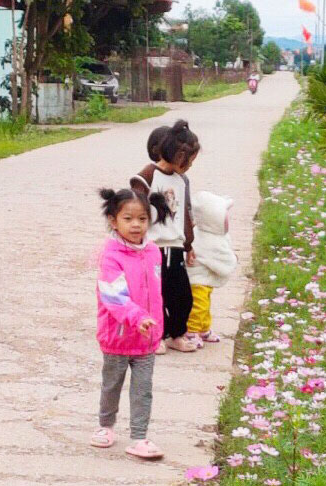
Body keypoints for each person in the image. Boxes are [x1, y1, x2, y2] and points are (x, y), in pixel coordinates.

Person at [92, 188, 169, 459]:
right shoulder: (111, 255)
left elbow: (157, 291)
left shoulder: (153, 252)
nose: (136, 225)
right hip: (119, 335)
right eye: (128, 218)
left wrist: (158, 323)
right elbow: (113, 296)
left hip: (147, 337)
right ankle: (105, 425)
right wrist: (138, 318)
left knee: (143, 389)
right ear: (114, 221)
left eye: (142, 219)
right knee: (112, 383)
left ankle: (139, 437)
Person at [131, 120, 201, 354]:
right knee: (154, 296)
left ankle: (176, 334)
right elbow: (132, 211)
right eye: (188, 159)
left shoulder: (182, 181)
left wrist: (189, 244)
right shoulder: (147, 176)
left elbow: (185, 213)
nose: (190, 165)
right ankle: (157, 335)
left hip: (176, 247)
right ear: (175, 153)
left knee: (182, 296)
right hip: (151, 248)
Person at [185, 192, 238, 348]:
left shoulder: (207, 234)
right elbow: (224, 262)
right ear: (213, 219)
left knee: (206, 304)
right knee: (199, 306)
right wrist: (234, 259)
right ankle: (192, 330)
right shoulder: (209, 239)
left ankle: (203, 328)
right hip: (197, 280)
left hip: (203, 279)